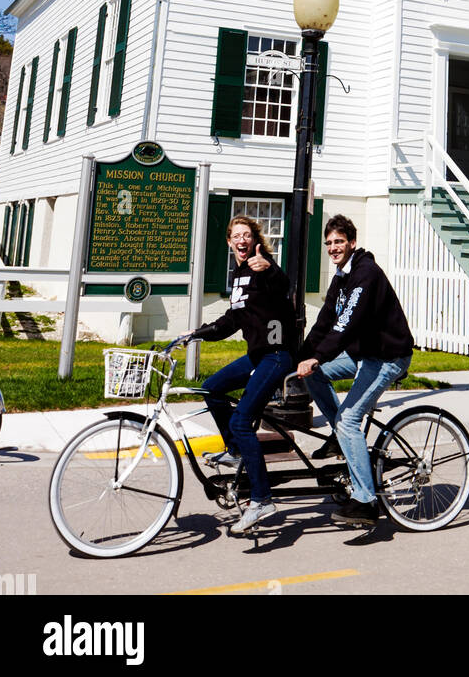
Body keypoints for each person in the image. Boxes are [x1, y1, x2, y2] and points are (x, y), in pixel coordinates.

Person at [177, 214, 295, 535]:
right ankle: (236, 451)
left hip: (276, 355)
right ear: (229, 242)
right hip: (257, 355)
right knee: (211, 388)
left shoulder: (262, 266)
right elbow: (231, 321)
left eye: (247, 234)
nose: (241, 239)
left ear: (253, 239)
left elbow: (282, 286)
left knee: (242, 420)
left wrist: (269, 267)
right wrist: (197, 332)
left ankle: (261, 499)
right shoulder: (239, 274)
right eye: (236, 235)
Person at [296, 215, 414, 528]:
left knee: (349, 419)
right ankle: (340, 435)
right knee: (315, 376)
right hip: (364, 354)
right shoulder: (341, 276)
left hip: (388, 357)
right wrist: (302, 358)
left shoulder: (366, 273)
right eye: (329, 243)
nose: (333, 248)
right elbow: (324, 322)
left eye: (338, 241)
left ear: (351, 242)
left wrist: (318, 355)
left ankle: (365, 500)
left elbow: (346, 325)